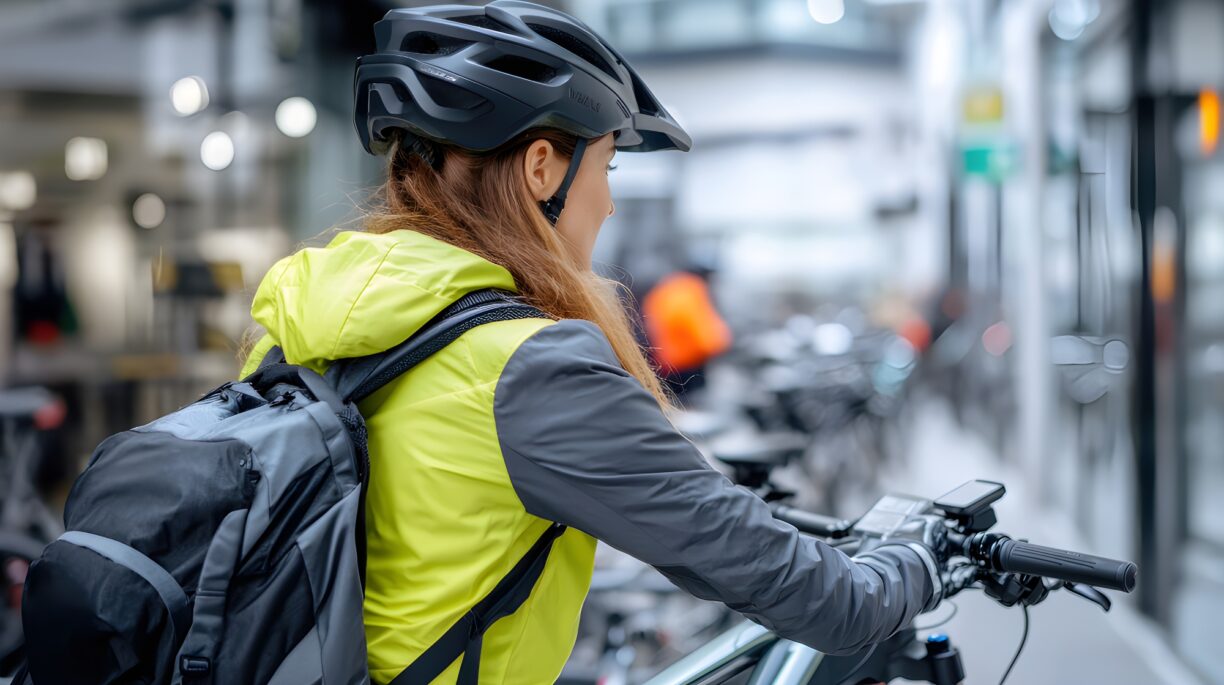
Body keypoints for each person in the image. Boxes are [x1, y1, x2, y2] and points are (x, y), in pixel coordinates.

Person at [240, 2, 944, 683]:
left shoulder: (302, 318)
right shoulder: (526, 365)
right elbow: (831, 602)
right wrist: (917, 558)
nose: (607, 203)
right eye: (607, 166)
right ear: (541, 166)